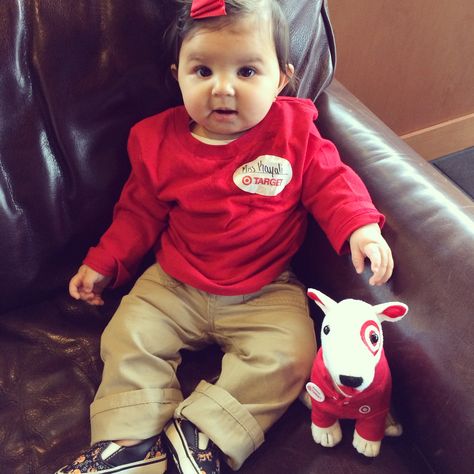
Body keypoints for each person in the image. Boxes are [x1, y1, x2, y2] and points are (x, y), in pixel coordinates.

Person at [56, 0, 393, 473]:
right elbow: (137, 212)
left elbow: (332, 182)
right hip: (173, 283)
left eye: (248, 71)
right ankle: (127, 444)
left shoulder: (292, 133)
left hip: (266, 289)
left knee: (292, 356)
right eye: (203, 70)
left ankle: (201, 438)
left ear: (281, 79)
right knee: (128, 336)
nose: (223, 88)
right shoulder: (157, 141)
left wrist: (359, 226)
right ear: (178, 76)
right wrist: (105, 261)